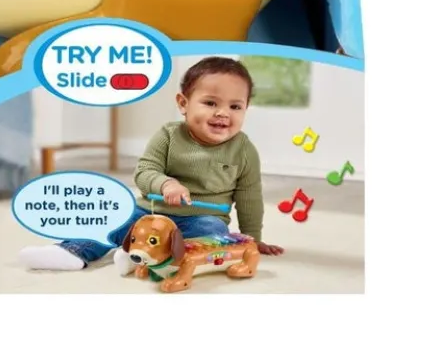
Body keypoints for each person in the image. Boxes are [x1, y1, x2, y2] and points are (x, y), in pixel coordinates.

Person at [20, 55, 286, 273]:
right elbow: (145, 171)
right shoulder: (168, 135)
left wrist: (253, 238)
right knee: (115, 220)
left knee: (213, 234)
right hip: (150, 212)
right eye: (210, 103)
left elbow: (250, 197)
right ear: (183, 104)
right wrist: (166, 184)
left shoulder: (244, 150)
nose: (223, 113)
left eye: (235, 107)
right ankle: (72, 252)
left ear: (246, 108)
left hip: (201, 219)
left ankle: (142, 257)